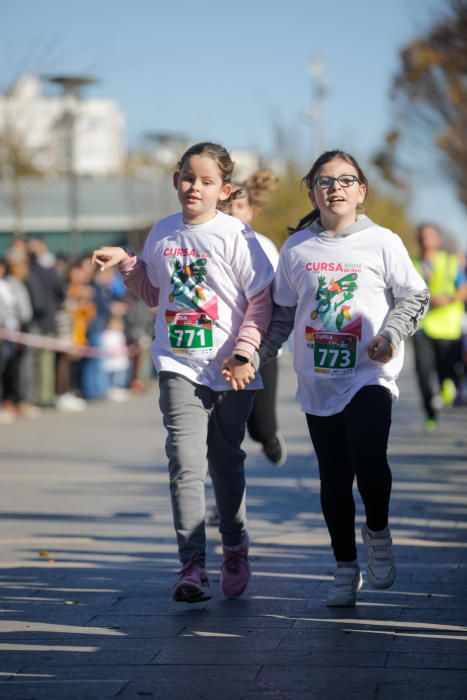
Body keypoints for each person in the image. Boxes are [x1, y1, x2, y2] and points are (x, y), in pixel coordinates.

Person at [225, 150, 429, 608]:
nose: (334, 188)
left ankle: (377, 529)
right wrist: (254, 355)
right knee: (334, 478)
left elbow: (415, 295)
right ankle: (344, 566)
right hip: (318, 380)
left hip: (369, 373)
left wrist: (391, 335)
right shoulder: (298, 247)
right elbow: (281, 315)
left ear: (361, 191)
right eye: (323, 181)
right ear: (312, 191)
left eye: (345, 180)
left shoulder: (382, 241)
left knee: (370, 459)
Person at [91, 142, 274, 602]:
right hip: (178, 363)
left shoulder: (237, 237)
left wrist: (246, 353)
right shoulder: (163, 233)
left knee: (226, 462)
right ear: (176, 181)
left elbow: (261, 303)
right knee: (185, 462)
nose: (195, 187)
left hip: (232, 369)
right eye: (188, 178)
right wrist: (128, 263)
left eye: (206, 181)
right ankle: (192, 564)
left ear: (224, 189)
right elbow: (154, 293)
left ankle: (234, 545)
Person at [230, 170, 287, 466]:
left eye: (238, 206)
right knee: (222, 434)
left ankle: (269, 437)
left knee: (260, 425)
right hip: (221, 350)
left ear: (251, 211)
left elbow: (279, 298)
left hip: (260, 348)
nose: (231, 212)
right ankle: (221, 502)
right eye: (225, 205)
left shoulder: (264, 246)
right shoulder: (205, 242)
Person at [412, 224, 467, 431]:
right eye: (423, 236)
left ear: (438, 239)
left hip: (447, 326)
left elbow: (464, 290)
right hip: (422, 327)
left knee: (446, 370)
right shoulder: (412, 264)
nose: (426, 240)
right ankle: (430, 413)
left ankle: (448, 385)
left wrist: (448, 299)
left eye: (430, 236)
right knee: (423, 372)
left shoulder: (451, 263)